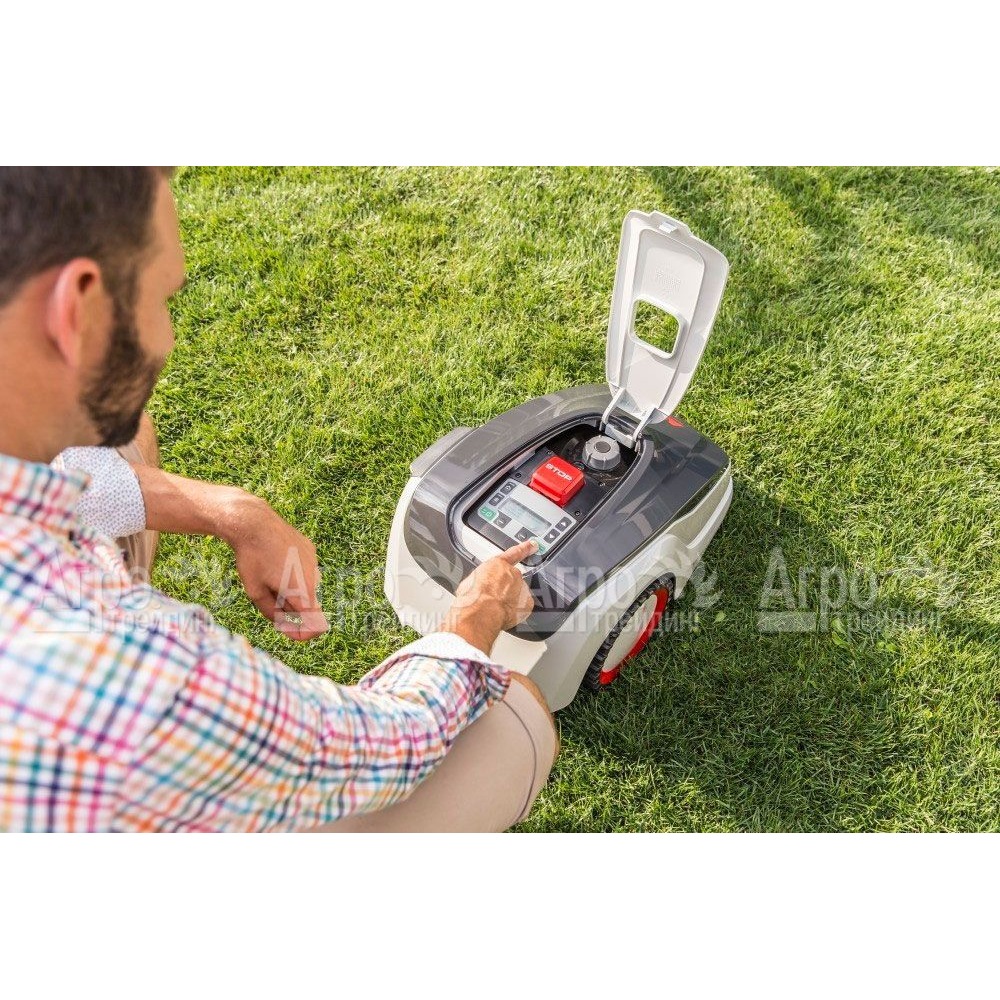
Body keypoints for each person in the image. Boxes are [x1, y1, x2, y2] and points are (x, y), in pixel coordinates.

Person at [0, 167, 558, 832]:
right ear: (77, 307)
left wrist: (237, 514)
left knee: (119, 434)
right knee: (512, 717)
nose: (167, 336)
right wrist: (474, 620)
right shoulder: (136, 677)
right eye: (161, 298)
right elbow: (384, 747)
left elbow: (70, 473)